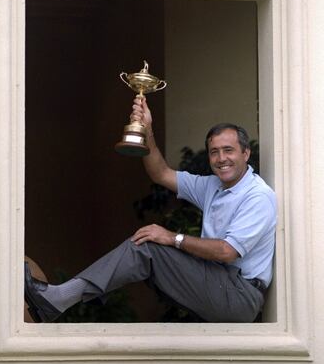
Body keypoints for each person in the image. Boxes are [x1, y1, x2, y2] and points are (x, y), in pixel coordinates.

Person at [25, 97, 277, 323]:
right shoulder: (212, 185)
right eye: (214, 152)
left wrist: (172, 238)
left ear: (246, 153)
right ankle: (58, 300)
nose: (221, 158)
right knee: (145, 245)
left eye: (228, 150)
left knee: (150, 246)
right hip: (216, 282)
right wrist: (147, 130)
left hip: (240, 296)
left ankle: (58, 299)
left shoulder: (258, 196)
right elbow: (161, 173)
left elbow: (226, 251)